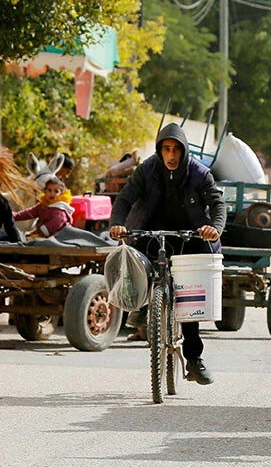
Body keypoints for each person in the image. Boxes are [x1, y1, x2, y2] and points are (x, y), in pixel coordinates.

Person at [109, 123, 227, 385]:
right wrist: (118, 224)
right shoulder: (147, 170)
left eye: (176, 149)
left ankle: (194, 360)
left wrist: (214, 229)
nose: (171, 155)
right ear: (159, 150)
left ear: (184, 151)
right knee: (131, 255)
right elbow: (125, 199)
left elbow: (218, 204)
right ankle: (138, 305)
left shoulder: (199, 173)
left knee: (188, 302)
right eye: (166, 149)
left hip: (191, 237)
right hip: (152, 231)